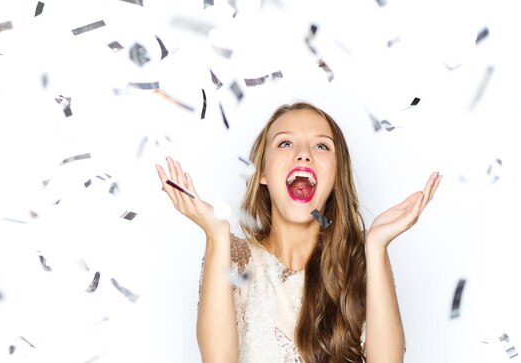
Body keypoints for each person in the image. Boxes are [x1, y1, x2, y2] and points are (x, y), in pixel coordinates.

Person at [155, 102, 442, 362]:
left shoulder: (359, 268)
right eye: (285, 143)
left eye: (321, 146)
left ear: (335, 175)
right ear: (263, 173)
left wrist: (377, 247)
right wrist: (216, 236)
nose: (303, 154)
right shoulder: (234, 260)